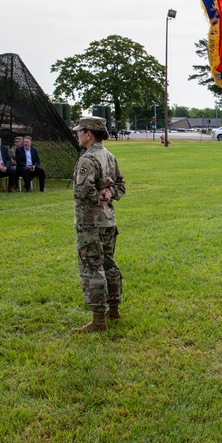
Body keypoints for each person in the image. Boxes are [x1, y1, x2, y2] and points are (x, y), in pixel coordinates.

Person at [70, 116, 125, 333]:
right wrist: (109, 193)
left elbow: (82, 191)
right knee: (108, 263)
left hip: (90, 222)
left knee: (92, 267)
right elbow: (120, 185)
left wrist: (101, 195)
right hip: (108, 221)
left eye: (80, 131)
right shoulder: (109, 157)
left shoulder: (88, 159)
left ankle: (98, 320)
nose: (78, 134)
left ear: (88, 134)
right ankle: (114, 310)